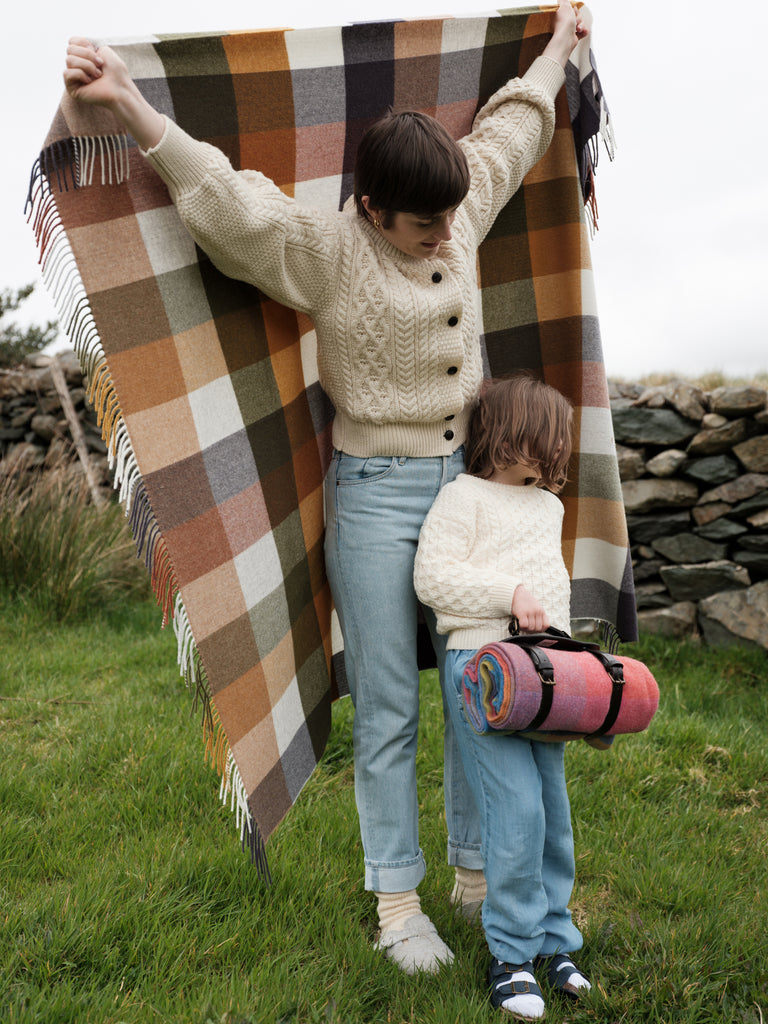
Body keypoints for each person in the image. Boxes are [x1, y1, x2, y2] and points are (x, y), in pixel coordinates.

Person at [63, 1, 588, 976]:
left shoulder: (458, 202)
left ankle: (478, 880)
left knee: (486, 688)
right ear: (371, 208)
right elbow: (223, 199)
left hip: (473, 496)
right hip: (377, 500)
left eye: (448, 216)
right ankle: (399, 902)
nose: (442, 235)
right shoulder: (324, 248)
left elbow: (511, 133)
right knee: (389, 707)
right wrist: (126, 102)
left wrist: (561, 45)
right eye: (420, 224)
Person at [413, 374, 591, 1018]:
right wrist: (507, 594)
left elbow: (553, 586)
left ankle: (554, 939)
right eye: (547, 440)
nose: (554, 455)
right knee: (514, 809)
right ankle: (510, 955)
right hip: (485, 668)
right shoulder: (464, 499)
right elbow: (434, 579)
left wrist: (571, 662)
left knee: (550, 808)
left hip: (545, 674)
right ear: (511, 434)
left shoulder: (549, 508)